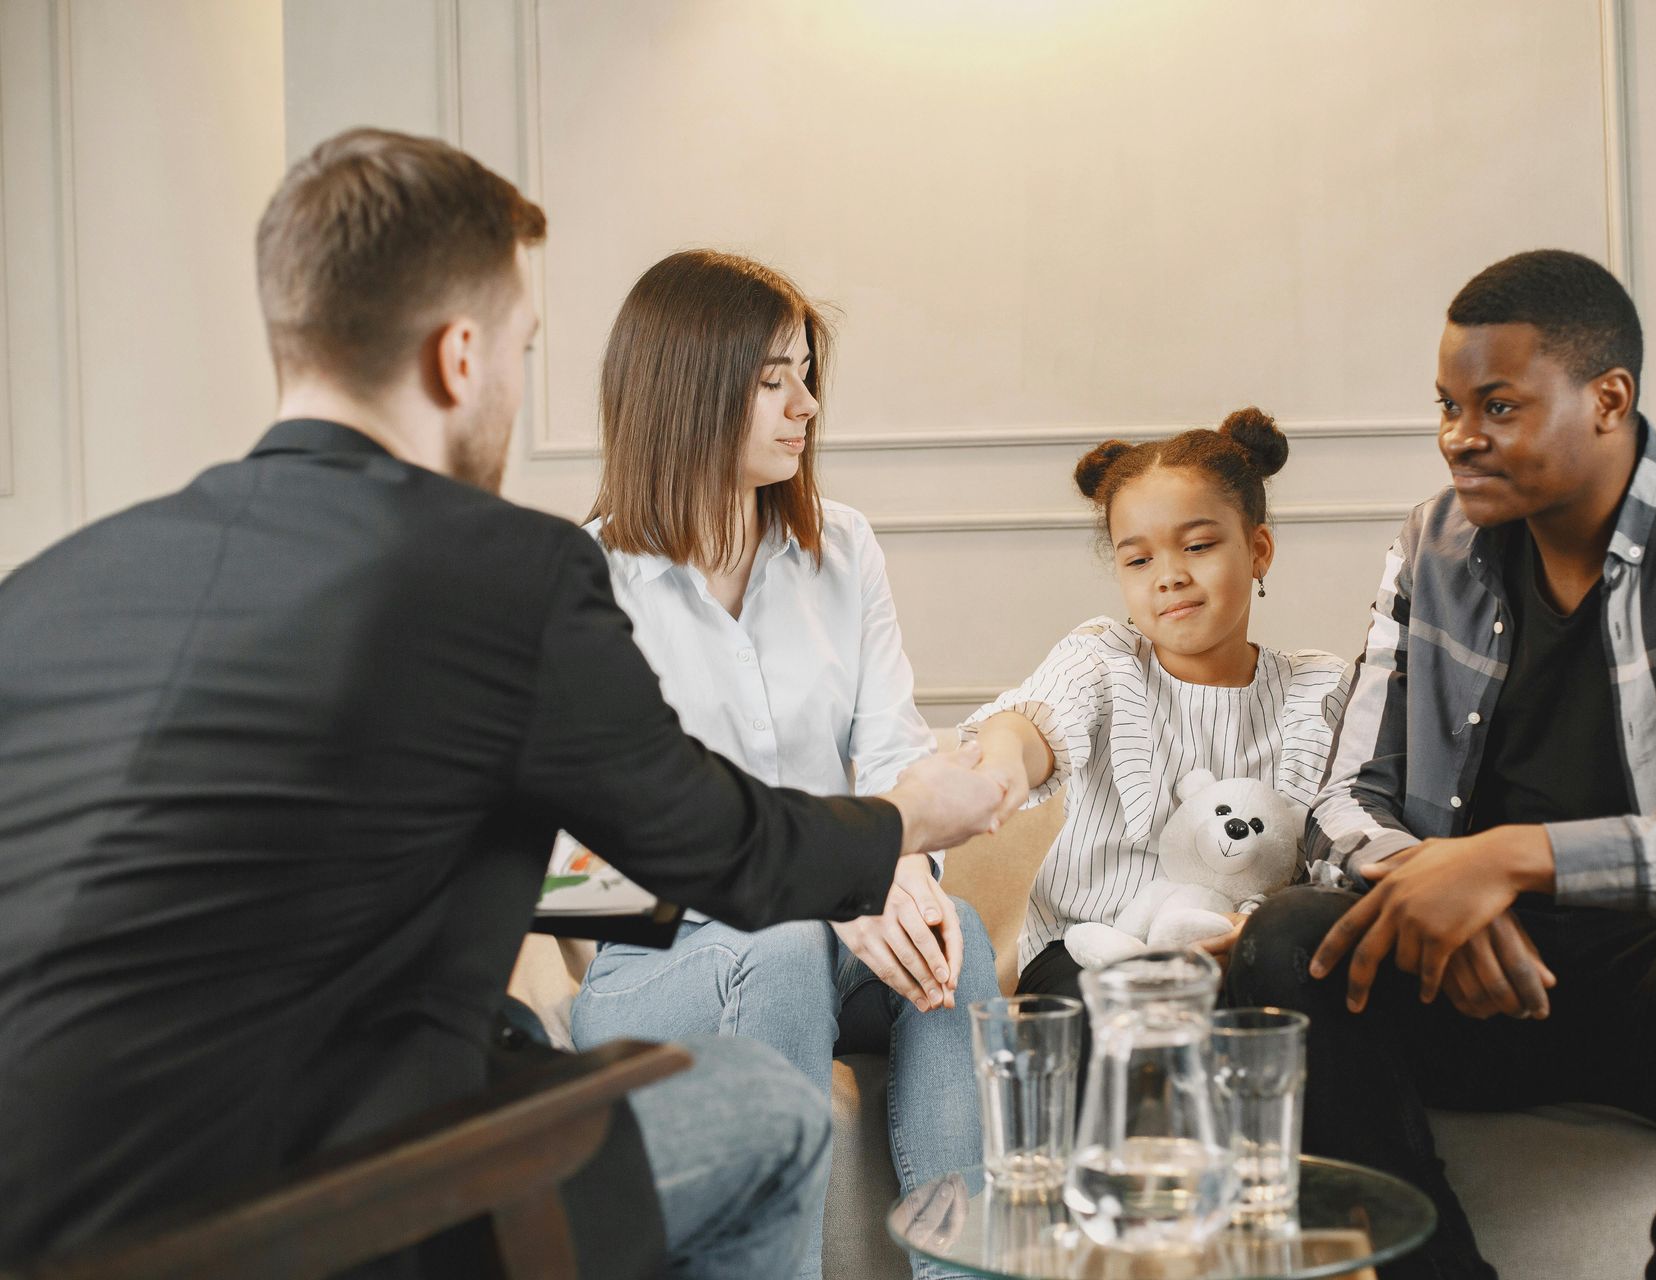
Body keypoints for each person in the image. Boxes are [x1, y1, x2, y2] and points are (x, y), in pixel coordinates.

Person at [0, 128, 1003, 1279]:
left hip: (39, 1218)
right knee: (763, 1109)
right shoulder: (506, 572)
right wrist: (909, 821)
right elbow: (713, 842)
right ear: (460, 358)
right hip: (301, 1209)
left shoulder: (52, 591)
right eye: (525, 348)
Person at [1227, 249, 1656, 1279]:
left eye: (1496, 405)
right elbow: (1350, 796)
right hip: (1476, 977)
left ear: (1608, 399)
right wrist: (1439, 883)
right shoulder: (1431, 545)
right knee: (1285, 941)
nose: (1457, 438)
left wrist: (1521, 855)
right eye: (1446, 405)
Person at [563, 249, 998, 1280]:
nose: (805, 405)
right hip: (652, 959)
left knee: (956, 933)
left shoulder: (842, 547)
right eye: (772, 379)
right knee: (791, 940)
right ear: (685, 388)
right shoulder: (588, 582)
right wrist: (819, 883)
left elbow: (894, 754)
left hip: (826, 927)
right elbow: (579, 870)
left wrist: (893, 875)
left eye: (806, 373)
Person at [962, 408, 1350, 1041]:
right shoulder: (1103, 657)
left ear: (1257, 550)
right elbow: (1033, 724)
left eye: (1198, 546)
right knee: (1127, 1028)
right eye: (1138, 561)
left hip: (1250, 952)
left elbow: (1344, 847)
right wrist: (1002, 759)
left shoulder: (1320, 688)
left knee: (1288, 1026)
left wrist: (1253, 934)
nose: (1169, 575)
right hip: (1088, 948)